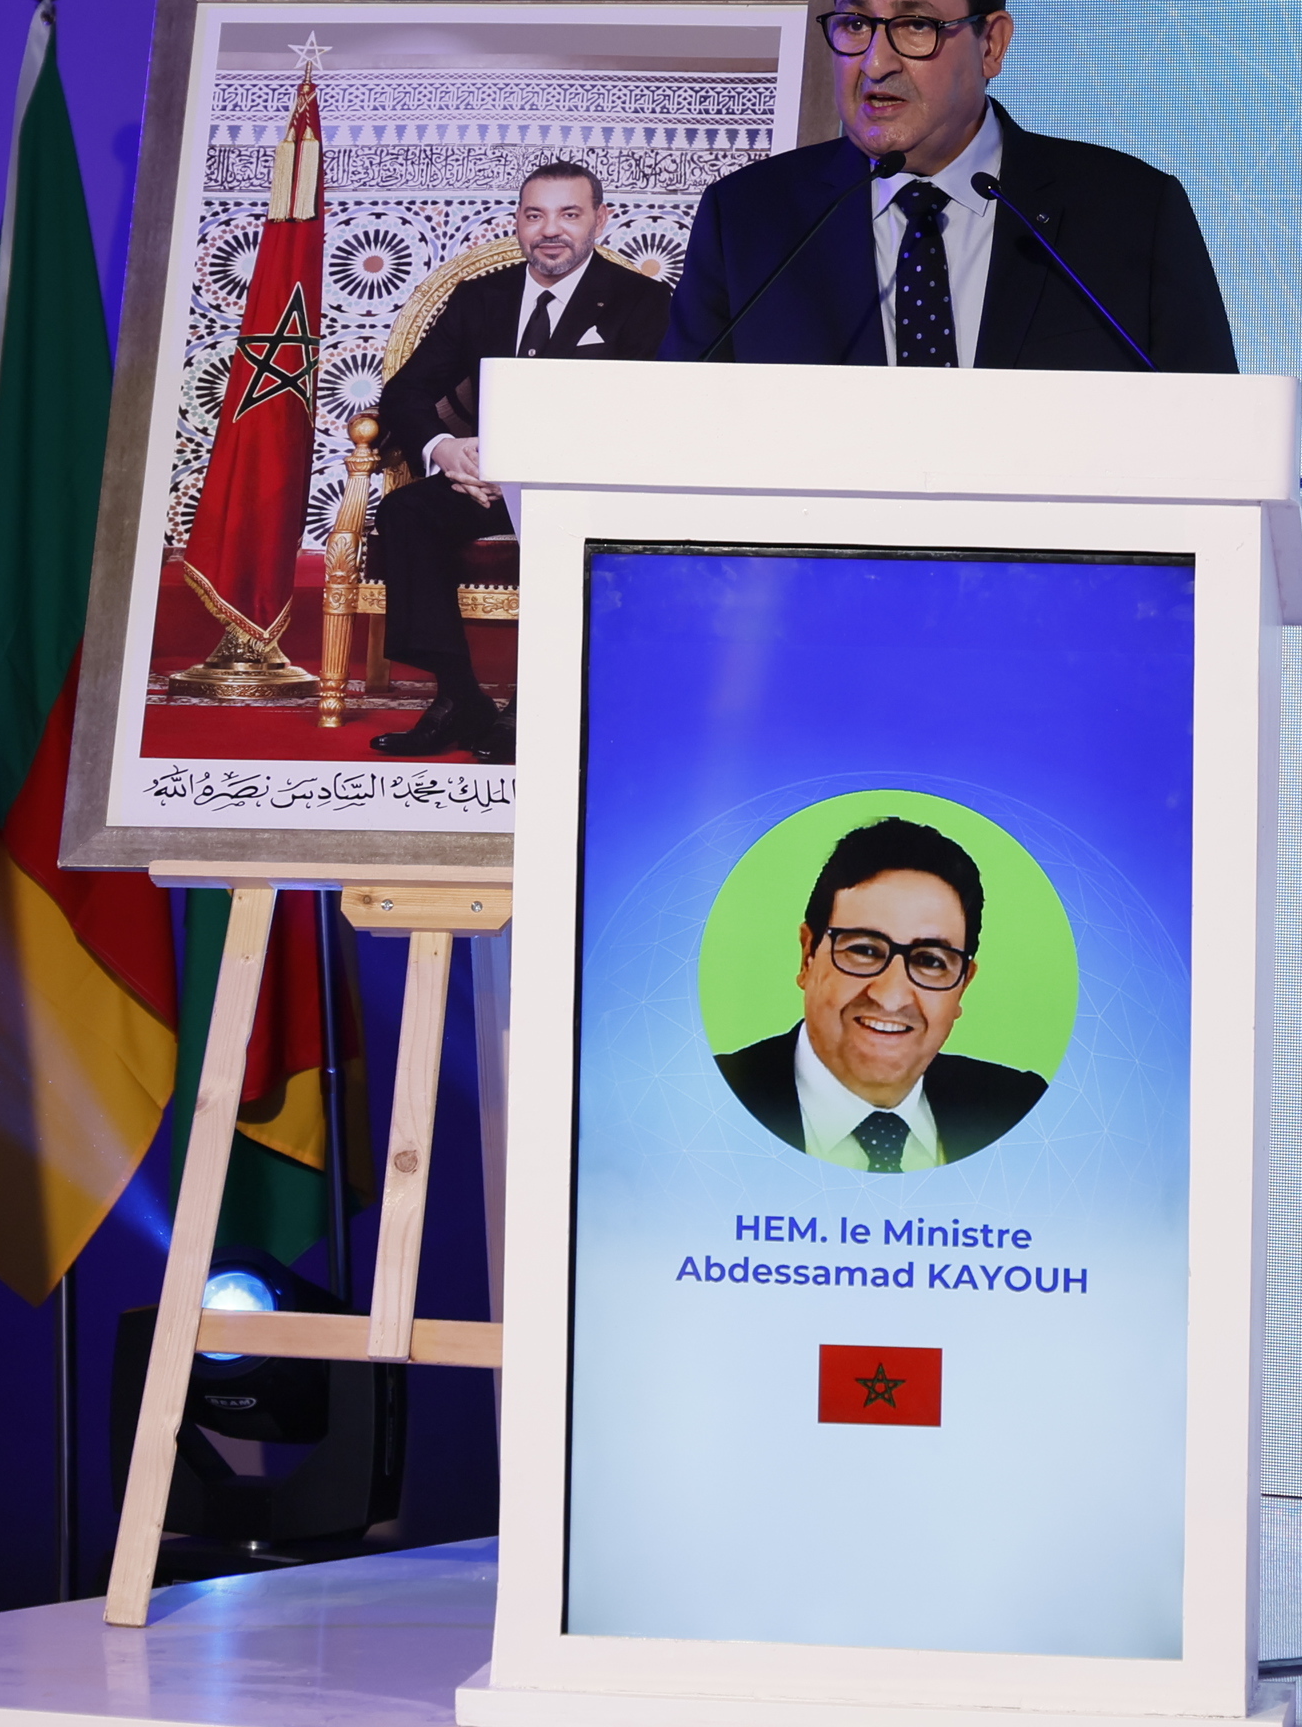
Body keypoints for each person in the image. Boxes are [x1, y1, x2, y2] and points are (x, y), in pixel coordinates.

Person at [663, 0, 1239, 369]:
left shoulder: (1131, 215)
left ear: (992, 45)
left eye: (916, 25)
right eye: (856, 23)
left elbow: (1215, 435)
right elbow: (681, 433)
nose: (875, 63)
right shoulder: (749, 221)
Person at [363, 161, 671, 762]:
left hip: (584, 487)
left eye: (569, 214)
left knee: (564, 527)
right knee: (406, 512)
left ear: (600, 220)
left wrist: (537, 470)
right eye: (535, 215)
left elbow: (651, 411)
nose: (550, 229)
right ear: (518, 223)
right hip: (487, 483)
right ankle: (458, 697)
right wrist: (448, 451)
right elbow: (405, 392)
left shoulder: (642, 300)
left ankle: (536, 704)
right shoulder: (482, 297)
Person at [715, 818, 1047, 1170]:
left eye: (930, 961)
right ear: (807, 956)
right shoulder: (710, 1097)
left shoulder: (1021, 1109)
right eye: (864, 950)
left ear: (963, 985)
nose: (891, 997)